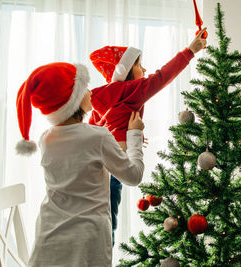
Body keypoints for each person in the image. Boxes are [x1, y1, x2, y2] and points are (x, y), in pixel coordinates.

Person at [15, 62, 145, 267]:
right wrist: (134, 135)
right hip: (88, 239)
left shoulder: (46, 139)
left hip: (48, 236)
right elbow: (133, 176)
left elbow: (79, 150)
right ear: (71, 100)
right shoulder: (98, 137)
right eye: (83, 88)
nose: (90, 92)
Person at [88, 27, 207, 243]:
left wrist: (128, 134)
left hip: (99, 170)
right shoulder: (132, 90)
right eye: (139, 65)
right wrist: (191, 50)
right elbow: (162, 77)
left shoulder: (107, 95)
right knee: (108, 228)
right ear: (127, 71)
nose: (144, 69)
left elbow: (94, 130)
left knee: (101, 226)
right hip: (115, 171)